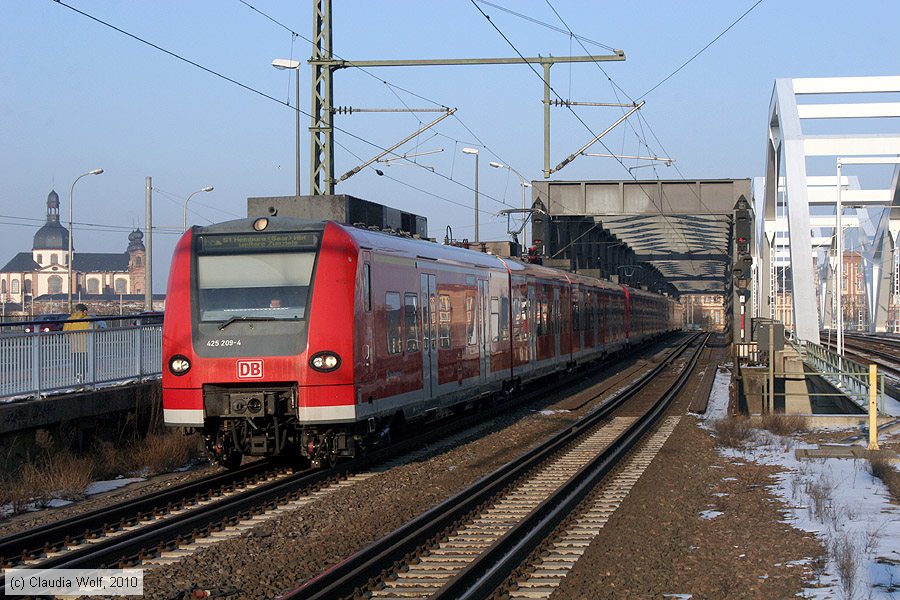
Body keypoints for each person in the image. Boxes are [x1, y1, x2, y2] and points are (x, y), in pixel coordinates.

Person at [63, 303, 91, 383]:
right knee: (84, 362)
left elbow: (65, 331)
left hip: (74, 345)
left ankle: (77, 377)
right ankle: (82, 377)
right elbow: (94, 328)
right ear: (84, 311)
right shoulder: (88, 319)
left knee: (76, 362)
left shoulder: (70, 319)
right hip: (85, 345)